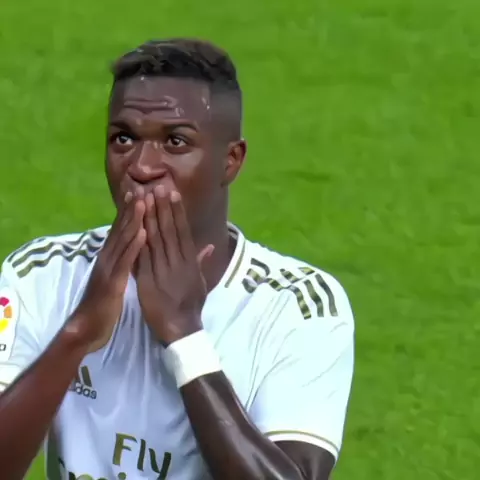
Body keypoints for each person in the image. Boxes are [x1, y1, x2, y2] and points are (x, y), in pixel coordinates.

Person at [0, 38, 355, 480]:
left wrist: (184, 337)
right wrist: (78, 333)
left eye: (175, 141)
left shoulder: (296, 306)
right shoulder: (42, 274)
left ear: (231, 161)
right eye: (124, 138)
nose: (142, 166)